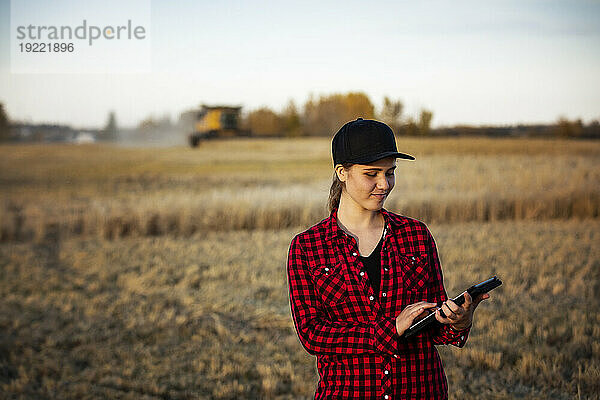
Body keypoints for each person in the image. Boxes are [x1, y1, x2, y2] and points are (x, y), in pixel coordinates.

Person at [286, 118, 489, 399]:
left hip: (421, 391)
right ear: (341, 172)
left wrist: (458, 321)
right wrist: (389, 329)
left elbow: (433, 327)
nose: (384, 184)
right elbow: (313, 334)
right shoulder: (308, 247)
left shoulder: (416, 235)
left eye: (390, 172)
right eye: (372, 173)